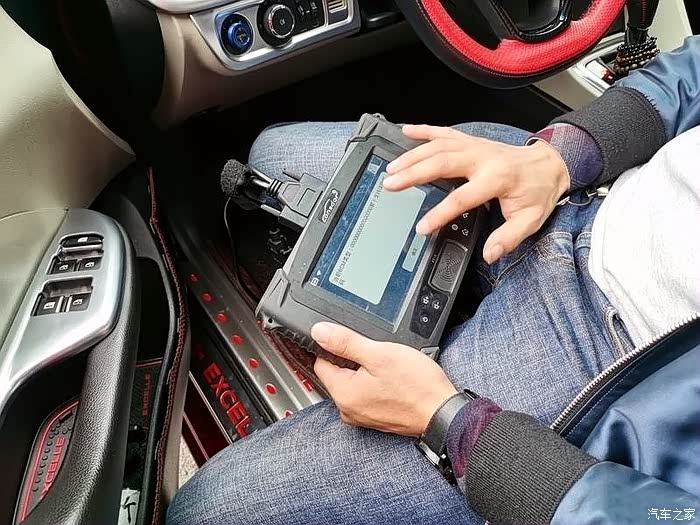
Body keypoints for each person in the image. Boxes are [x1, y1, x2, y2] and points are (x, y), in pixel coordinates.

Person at [167, 37, 700, 525]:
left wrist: (455, 426)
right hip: (583, 199)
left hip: (613, 355)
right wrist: (562, 155)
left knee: (206, 512)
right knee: (270, 157)